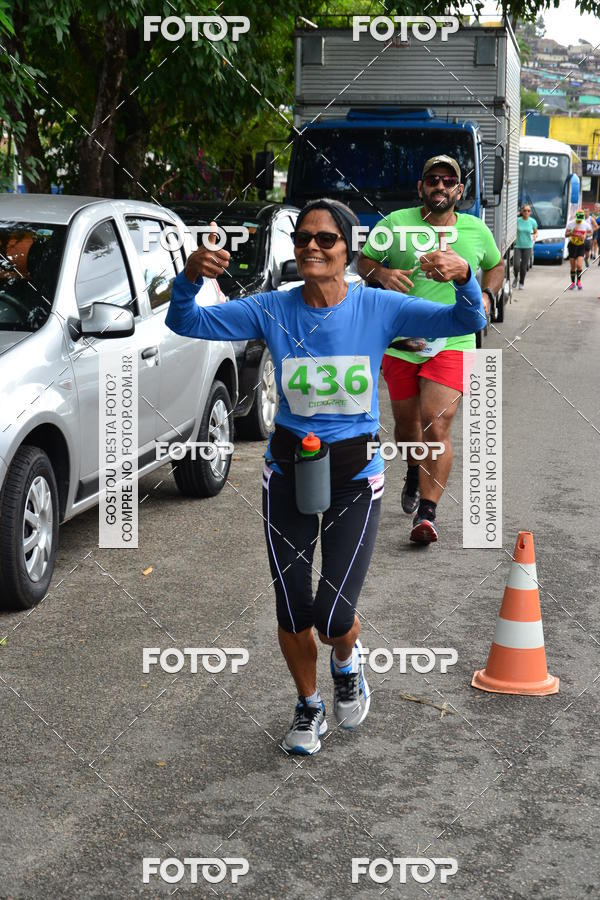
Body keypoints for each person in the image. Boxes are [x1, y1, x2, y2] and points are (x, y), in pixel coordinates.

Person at [166, 198, 484, 755]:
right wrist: (191, 275)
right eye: (303, 239)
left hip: (354, 472)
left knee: (333, 613)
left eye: (326, 239)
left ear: (347, 250)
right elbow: (185, 320)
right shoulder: (272, 308)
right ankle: (308, 706)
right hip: (288, 465)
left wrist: (466, 277)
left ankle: (346, 661)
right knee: (292, 606)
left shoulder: (378, 306)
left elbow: (467, 321)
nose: (312, 246)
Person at [356, 156, 504, 544]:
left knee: (435, 421)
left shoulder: (475, 230)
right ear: (421, 187)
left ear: (459, 190)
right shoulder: (395, 224)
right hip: (402, 341)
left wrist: (487, 294)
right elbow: (364, 260)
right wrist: (383, 274)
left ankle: (427, 513)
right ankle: (412, 468)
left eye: (448, 181)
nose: (440, 186)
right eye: (432, 180)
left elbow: (496, 265)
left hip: (453, 341)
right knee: (407, 427)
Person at [565, 209, 592, 290]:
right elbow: (566, 235)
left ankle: (579, 282)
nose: (579, 221)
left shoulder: (586, 224)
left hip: (581, 245)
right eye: (578, 219)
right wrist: (572, 232)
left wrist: (586, 235)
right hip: (572, 245)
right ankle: (573, 283)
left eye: (580, 219)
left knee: (579, 265)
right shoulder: (571, 224)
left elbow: (590, 232)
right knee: (573, 266)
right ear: (576, 217)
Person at [513, 205, 538, 291]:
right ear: (521, 212)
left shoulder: (532, 221)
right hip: (518, 246)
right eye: (525, 210)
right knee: (516, 265)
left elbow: (535, 232)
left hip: (528, 246)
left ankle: (521, 282)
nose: (527, 212)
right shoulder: (517, 221)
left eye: (528, 211)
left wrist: (535, 236)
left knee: (523, 267)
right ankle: (516, 277)